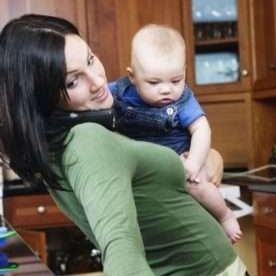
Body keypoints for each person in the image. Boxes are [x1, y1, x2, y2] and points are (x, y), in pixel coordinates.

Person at [0, 14, 247, 276]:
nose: (97, 81)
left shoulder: (80, 134)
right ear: (41, 95)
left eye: (90, 59)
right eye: (73, 81)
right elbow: (121, 247)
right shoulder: (86, 141)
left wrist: (210, 157)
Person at [109, 24, 242, 243]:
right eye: (154, 82)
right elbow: (95, 97)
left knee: (196, 184)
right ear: (132, 76)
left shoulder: (183, 100)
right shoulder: (119, 91)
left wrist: (194, 163)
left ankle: (225, 215)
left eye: (176, 80)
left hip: (179, 160)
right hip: (145, 166)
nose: (166, 89)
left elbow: (201, 128)